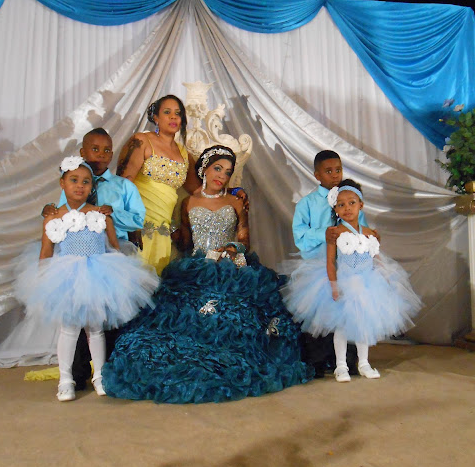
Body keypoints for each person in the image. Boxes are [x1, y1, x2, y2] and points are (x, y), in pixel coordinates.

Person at [102, 146, 314, 403]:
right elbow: (187, 243)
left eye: (228, 172)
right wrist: (170, 232)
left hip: (231, 265)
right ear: (204, 170)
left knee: (236, 314)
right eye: (217, 169)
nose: (222, 176)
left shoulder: (236, 201)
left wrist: (232, 249)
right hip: (197, 267)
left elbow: (245, 239)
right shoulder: (188, 202)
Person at [15, 156, 159, 402]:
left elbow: (114, 248)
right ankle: (65, 379)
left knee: (96, 328)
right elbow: (46, 252)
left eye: (86, 182)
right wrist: (43, 283)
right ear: (62, 183)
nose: (80, 186)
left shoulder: (100, 215)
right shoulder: (53, 218)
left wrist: (120, 276)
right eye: (74, 180)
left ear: (92, 186)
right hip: (67, 277)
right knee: (69, 329)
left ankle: (100, 376)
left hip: (97, 275)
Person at [284, 179, 422, 382]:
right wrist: (334, 285)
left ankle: (363, 363)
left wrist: (386, 278)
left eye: (351, 203)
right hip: (344, 283)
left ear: (361, 205)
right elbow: (330, 262)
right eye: (341, 204)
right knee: (342, 326)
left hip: (368, 284)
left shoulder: (370, 233)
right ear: (335, 209)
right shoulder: (336, 233)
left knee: (363, 325)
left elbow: (376, 259)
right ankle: (341, 366)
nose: (347, 208)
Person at [42, 128, 146, 389]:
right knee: (74, 323)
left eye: (107, 150)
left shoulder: (124, 186)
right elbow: (62, 215)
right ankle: (75, 374)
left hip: (108, 255)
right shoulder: (75, 181)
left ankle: (105, 372)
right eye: (95, 149)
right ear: (83, 152)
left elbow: (137, 219)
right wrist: (49, 212)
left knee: (106, 322)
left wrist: (111, 214)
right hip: (74, 259)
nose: (101, 154)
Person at [290, 150, 371, 376]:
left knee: (349, 311)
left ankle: (348, 359)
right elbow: (299, 236)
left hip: (349, 268)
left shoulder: (351, 199)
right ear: (317, 175)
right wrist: (323, 233)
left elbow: (361, 229)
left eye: (338, 170)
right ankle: (318, 360)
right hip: (318, 266)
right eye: (328, 171)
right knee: (321, 314)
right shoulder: (307, 204)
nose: (335, 175)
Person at [116, 95, 199, 274]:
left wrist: (233, 191)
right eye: (167, 112)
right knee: (134, 276)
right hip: (138, 224)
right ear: (156, 117)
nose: (173, 117)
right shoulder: (141, 141)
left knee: (157, 278)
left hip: (164, 231)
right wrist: (130, 225)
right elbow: (122, 184)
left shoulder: (184, 154)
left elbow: (199, 190)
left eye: (178, 113)